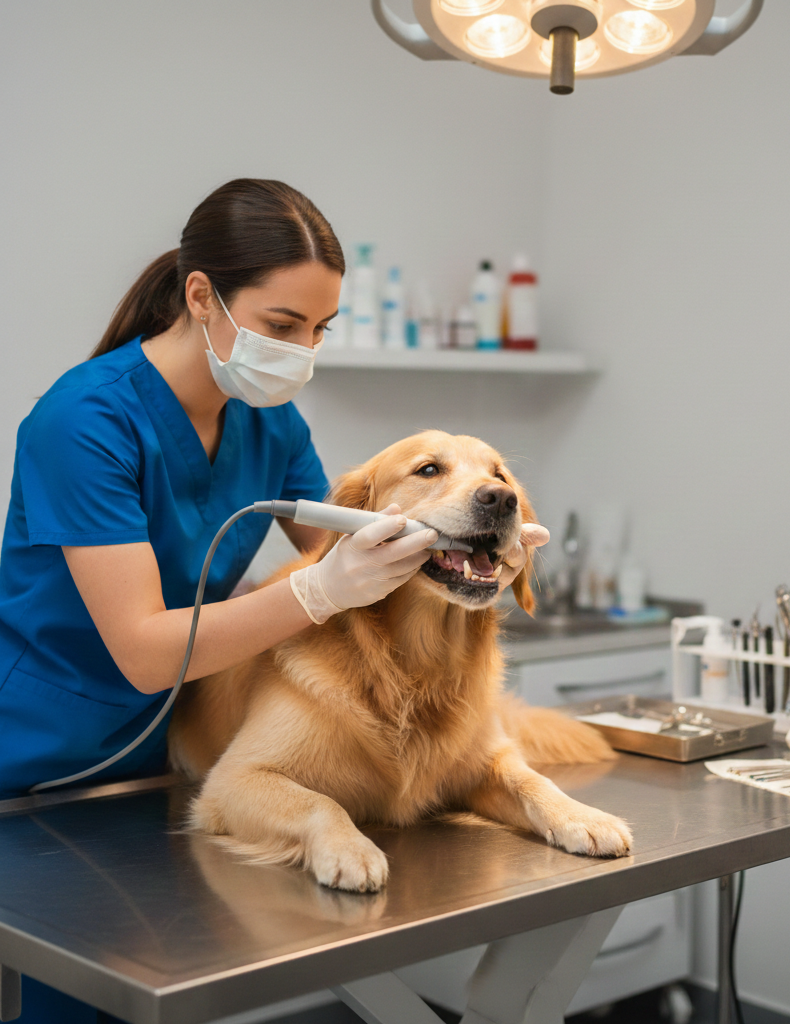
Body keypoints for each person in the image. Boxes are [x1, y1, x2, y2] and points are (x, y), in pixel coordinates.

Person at [0, 178, 546, 1024]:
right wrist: (323, 588)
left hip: (162, 761)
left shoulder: (268, 419)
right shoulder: (83, 423)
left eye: (319, 330)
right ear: (201, 297)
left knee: (164, 987)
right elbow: (149, 650)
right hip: (35, 770)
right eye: (283, 326)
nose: (301, 351)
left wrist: (462, 549)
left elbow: (352, 552)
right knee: (73, 1000)